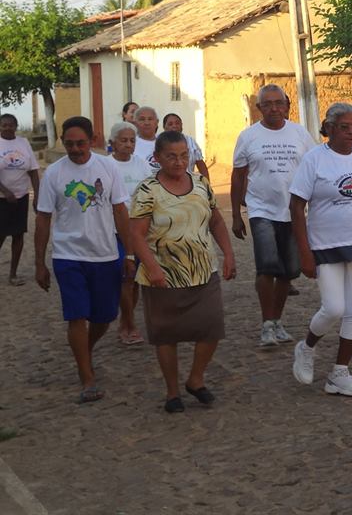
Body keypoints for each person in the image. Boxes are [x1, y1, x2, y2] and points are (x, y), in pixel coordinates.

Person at [129, 131, 237, 414]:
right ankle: (172, 391)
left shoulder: (201, 184)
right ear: (157, 158)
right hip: (163, 274)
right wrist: (151, 267)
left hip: (203, 270)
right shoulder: (147, 190)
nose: (179, 162)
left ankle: (196, 378)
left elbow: (215, 222)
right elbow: (137, 235)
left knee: (211, 327)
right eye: (171, 157)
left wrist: (228, 253)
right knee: (167, 335)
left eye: (183, 156)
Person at [290, 103, 352, 397]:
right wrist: (304, 251)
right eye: (344, 127)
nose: (351, 133)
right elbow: (296, 206)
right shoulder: (315, 160)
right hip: (325, 245)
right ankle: (306, 347)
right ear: (330, 128)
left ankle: (339, 373)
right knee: (334, 307)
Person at [34, 116, 134, 404]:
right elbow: (43, 219)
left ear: (92, 140)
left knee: (104, 316)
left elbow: (120, 211)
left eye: (80, 143)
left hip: (105, 253)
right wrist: (39, 263)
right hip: (68, 255)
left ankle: (84, 352)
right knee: (76, 314)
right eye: (69, 144)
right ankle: (86, 377)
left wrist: (127, 254)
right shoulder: (53, 173)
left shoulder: (108, 167)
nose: (75, 149)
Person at [231, 84, 315, 347]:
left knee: (289, 271)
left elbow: (314, 169)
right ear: (259, 109)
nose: (274, 109)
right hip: (261, 210)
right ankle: (267, 324)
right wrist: (236, 214)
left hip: (293, 212)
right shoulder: (248, 137)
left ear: (288, 105)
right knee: (267, 265)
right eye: (267, 104)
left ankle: (277, 321)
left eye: (279, 103)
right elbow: (238, 177)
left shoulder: (301, 134)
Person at [109, 121, 153, 345]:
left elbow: (149, 189)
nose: (128, 145)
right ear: (112, 143)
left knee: (135, 280)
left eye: (132, 141)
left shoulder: (142, 164)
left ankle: (125, 321)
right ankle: (130, 323)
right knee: (125, 278)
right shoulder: (106, 166)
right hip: (116, 231)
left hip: (140, 230)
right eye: (123, 140)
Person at [0, 113, 40, 286]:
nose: (8, 127)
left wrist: (37, 195)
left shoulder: (23, 143)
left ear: (16, 126)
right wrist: (5, 191)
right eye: (4, 125)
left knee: (18, 235)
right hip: (2, 198)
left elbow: (33, 171)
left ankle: (13, 274)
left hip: (21, 197)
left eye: (11, 125)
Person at [162, 113, 210, 180]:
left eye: (177, 123)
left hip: (188, 185)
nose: (174, 126)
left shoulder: (191, 141)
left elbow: (201, 165)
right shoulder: (159, 144)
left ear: (182, 125)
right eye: (170, 124)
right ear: (164, 127)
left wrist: (207, 186)